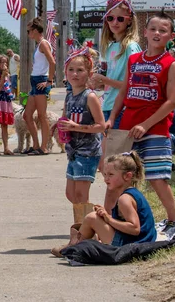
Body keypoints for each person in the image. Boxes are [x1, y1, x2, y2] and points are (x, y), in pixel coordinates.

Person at [106, 10, 175, 229]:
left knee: (156, 177)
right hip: (127, 127)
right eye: (153, 29)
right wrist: (112, 117)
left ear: (172, 36)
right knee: (119, 176)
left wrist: (146, 125)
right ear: (145, 33)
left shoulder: (171, 64)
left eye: (163, 30)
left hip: (156, 129)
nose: (157, 33)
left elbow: (171, 102)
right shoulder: (134, 59)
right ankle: (117, 220)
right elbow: (124, 91)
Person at [51, 47, 105, 257]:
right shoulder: (69, 96)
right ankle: (90, 229)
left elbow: (101, 126)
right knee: (71, 194)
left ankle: (81, 238)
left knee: (81, 195)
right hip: (73, 151)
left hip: (88, 151)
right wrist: (60, 127)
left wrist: (76, 127)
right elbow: (65, 118)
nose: (75, 74)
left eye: (80, 70)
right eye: (71, 69)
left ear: (89, 74)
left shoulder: (89, 97)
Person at [51, 151, 156, 256]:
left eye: (111, 175)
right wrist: (105, 216)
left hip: (130, 245)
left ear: (127, 176)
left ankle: (73, 247)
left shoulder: (125, 199)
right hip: (138, 241)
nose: (106, 179)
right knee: (96, 216)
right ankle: (76, 244)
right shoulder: (131, 193)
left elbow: (135, 228)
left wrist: (109, 219)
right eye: (105, 174)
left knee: (91, 218)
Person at [90, 0, 141, 173]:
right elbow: (112, 82)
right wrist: (99, 83)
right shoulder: (111, 46)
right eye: (110, 18)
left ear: (129, 20)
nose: (115, 23)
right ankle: (117, 199)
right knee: (107, 163)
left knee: (112, 162)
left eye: (120, 19)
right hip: (108, 104)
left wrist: (105, 80)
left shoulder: (131, 47)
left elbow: (133, 84)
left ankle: (122, 199)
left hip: (122, 107)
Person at [22, 17, 56, 156]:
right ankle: (35, 144)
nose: (28, 33)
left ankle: (44, 147)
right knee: (27, 115)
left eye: (29, 31)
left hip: (41, 80)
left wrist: (49, 81)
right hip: (35, 81)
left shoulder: (43, 44)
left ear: (35, 31)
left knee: (42, 115)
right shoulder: (39, 45)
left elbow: (52, 62)